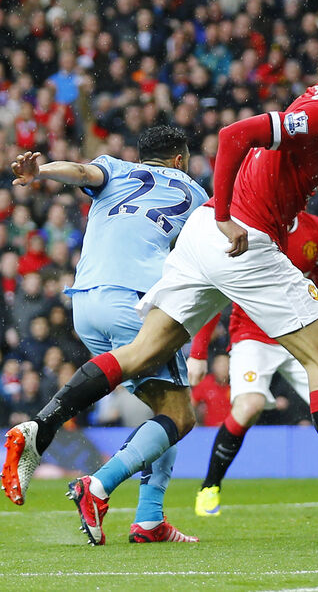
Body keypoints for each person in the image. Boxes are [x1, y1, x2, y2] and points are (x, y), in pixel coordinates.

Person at [3, 20, 318, 539]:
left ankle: (37, 429)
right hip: (240, 235)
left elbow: (307, 145)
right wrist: (225, 217)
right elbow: (234, 135)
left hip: (200, 240)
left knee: (142, 353)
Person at [3, 126, 208, 544]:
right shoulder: (199, 197)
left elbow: (79, 171)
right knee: (181, 415)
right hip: (135, 303)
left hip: (85, 302)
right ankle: (95, 485)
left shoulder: (117, 168)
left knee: (165, 411)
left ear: (141, 155)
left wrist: (41, 171)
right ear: (180, 160)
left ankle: (150, 520)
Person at [190, 211, 318, 516]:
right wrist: (198, 352)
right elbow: (216, 289)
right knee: (249, 405)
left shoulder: (316, 229)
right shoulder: (246, 226)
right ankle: (209, 485)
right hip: (253, 333)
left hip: (302, 328)